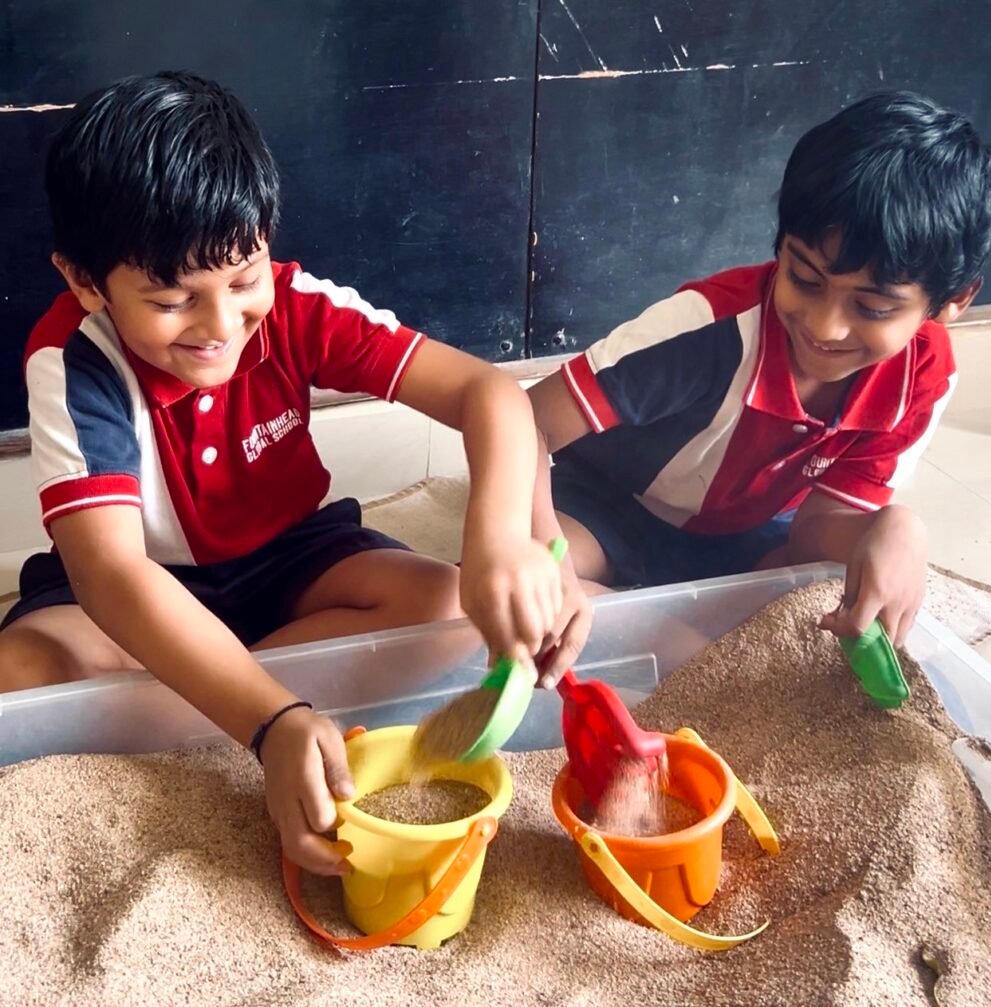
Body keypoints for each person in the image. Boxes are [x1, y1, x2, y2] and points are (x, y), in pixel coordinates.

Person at [0, 71, 589, 876]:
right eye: (172, 300)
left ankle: (212, 693)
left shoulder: (296, 303)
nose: (220, 325)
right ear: (84, 280)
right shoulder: (74, 360)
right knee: (22, 674)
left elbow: (488, 393)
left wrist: (495, 542)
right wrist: (273, 719)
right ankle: (244, 695)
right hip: (144, 590)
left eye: (243, 280)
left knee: (454, 605)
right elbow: (111, 575)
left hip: (295, 558)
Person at [529, 91, 991, 647]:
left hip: (748, 534)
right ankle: (665, 636)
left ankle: (666, 636)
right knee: (525, 583)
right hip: (606, 505)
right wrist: (540, 548)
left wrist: (892, 530)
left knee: (829, 617)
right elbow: (523, 421)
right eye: (804, 278)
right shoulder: (706, 328)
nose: (825, 327)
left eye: (873, 308)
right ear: (780, 247)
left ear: (953, 301)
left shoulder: (923, 376)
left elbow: (815, 529)